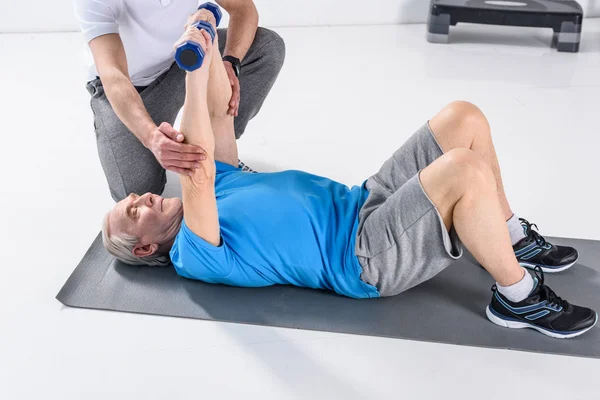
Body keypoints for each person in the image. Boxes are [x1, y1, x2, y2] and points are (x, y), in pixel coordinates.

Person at [102, 24, 597, 339]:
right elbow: (197, 168)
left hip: (363, 202)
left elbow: (214, 111)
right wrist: (190, 68)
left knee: (462, 118)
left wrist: (208, 46)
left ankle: (512, 238)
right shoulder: (193, 251)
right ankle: (518, 298)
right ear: (145, 249)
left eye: (130, 198)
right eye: (133, 211)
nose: (142, 196)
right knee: (463, 170)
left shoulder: (221, 186)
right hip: (363, 256)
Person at [74, 0, 285, 201]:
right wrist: (151, 137)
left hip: (181, 58)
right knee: (136, 192)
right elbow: (114, 75)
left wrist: (230, 63)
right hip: (129, 87)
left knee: (267, 47)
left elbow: (243, 10)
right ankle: (183, 147)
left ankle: (216, 151)